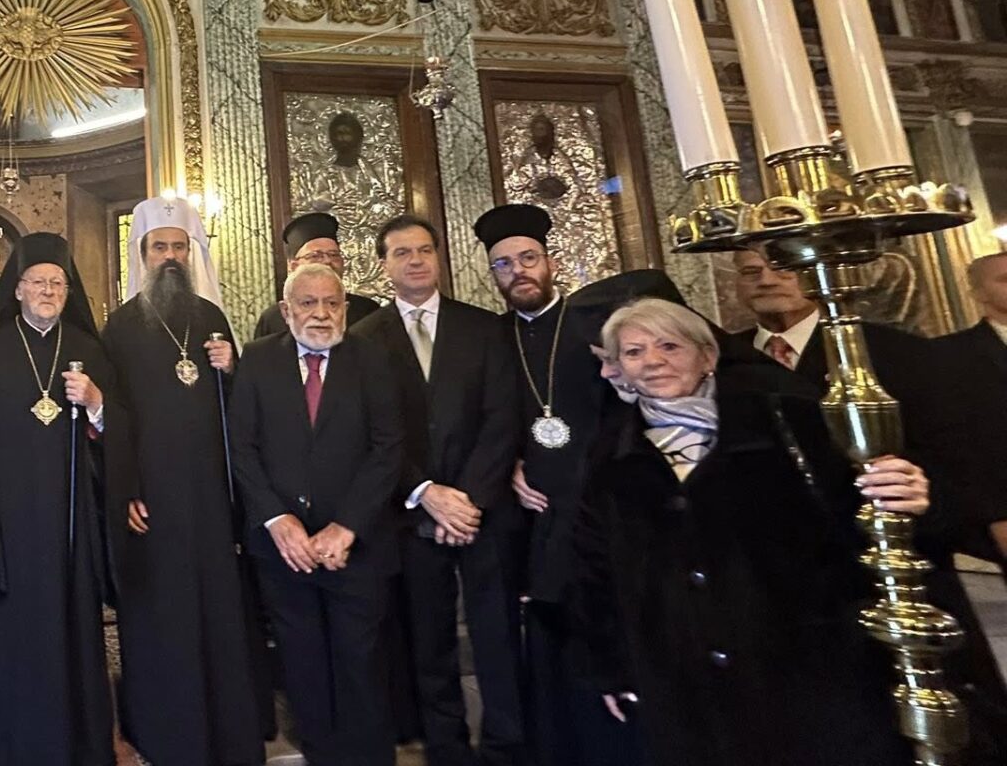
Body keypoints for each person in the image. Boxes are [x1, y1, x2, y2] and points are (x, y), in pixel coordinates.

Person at [571, 297, 936, 766]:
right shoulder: (609, 451)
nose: (653, 361)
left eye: (669, 345)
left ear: (708, 356)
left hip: (802, 664)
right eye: (634, 352)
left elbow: (860, 518)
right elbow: (593, 570)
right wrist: (612, 669)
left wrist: (908, 492)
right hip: (682, 676)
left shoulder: (790, 422)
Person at [725, 245, 1007, 755]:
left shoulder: (896, 352)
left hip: (895, 575)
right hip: (789, 586)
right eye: (749, 272)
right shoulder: (727, 362)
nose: (764, 279)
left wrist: (928, 495)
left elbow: (962, 466)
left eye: (781, 267)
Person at [350, 215, 525, 766]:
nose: (416, 260)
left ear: (440, 257)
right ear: (384, 264)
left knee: (496, 637)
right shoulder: (362, 340)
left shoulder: (484, 328)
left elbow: (502, 419)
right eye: (402, 252)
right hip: (411, 513)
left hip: (482, 512)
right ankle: (447, 749)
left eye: (425, 249)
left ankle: (506, 745)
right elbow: (370, 434)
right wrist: (425, 490)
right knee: (430, 643)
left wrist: (466, 499)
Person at [475, 203, 644, 766]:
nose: (518, 271)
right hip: (525, 507)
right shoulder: (490, 337)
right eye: (504, 265)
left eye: (528, 259)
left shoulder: (594, 325)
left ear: (550, 262)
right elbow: (485, 419)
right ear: (493, 276)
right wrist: (510, 467)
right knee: (538, 632)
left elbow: (626, 407)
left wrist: (593, 469)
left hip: (596, 496)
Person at [0, 232, 117, 766]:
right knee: (12, 637)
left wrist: (97, 405)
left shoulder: (88, 351)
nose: (48, 291)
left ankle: (78, 746)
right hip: (5, 529)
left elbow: (121, 439)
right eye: (37, 282)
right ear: (16, 290)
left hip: (73, 526)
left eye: (57, 284)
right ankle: (4, 746)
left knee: (72, 628)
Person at [102, 197, 266, 766]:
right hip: (152, 500)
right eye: (159, 248)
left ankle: (229, 731)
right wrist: (125, 491)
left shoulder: (212, 319)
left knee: (219, 613)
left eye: (179, 247)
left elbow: (244, 415)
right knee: (162, 618)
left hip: (212, 500)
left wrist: (231, 369)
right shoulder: (119, 329)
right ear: (142, 255)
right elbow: (112, 419)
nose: (170, 257)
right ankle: (166, 733)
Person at [230, 263, 408, 766]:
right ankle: (321, 754)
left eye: (332, 303)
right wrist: (276, 520)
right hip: (282, 550)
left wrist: (346, 525)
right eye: (308, 303)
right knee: (302, 662)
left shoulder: (372, 358)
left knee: (361, 661)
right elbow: (242, 447)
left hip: (358, 546)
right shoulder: (259, 359)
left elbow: (387, 447)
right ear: (287, 311)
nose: (321, 313)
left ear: (346, 309)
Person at [934, 252, 1007, 567]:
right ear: (978, 293)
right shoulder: (949, 357)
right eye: (1004, 279)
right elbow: (963, 448)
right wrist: (998, 518)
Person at [252, 211, 382, 341]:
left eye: (333, 255)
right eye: (315, 255)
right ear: (294, 266)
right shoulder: (272, 319)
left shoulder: (368, 312)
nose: (327, 261)